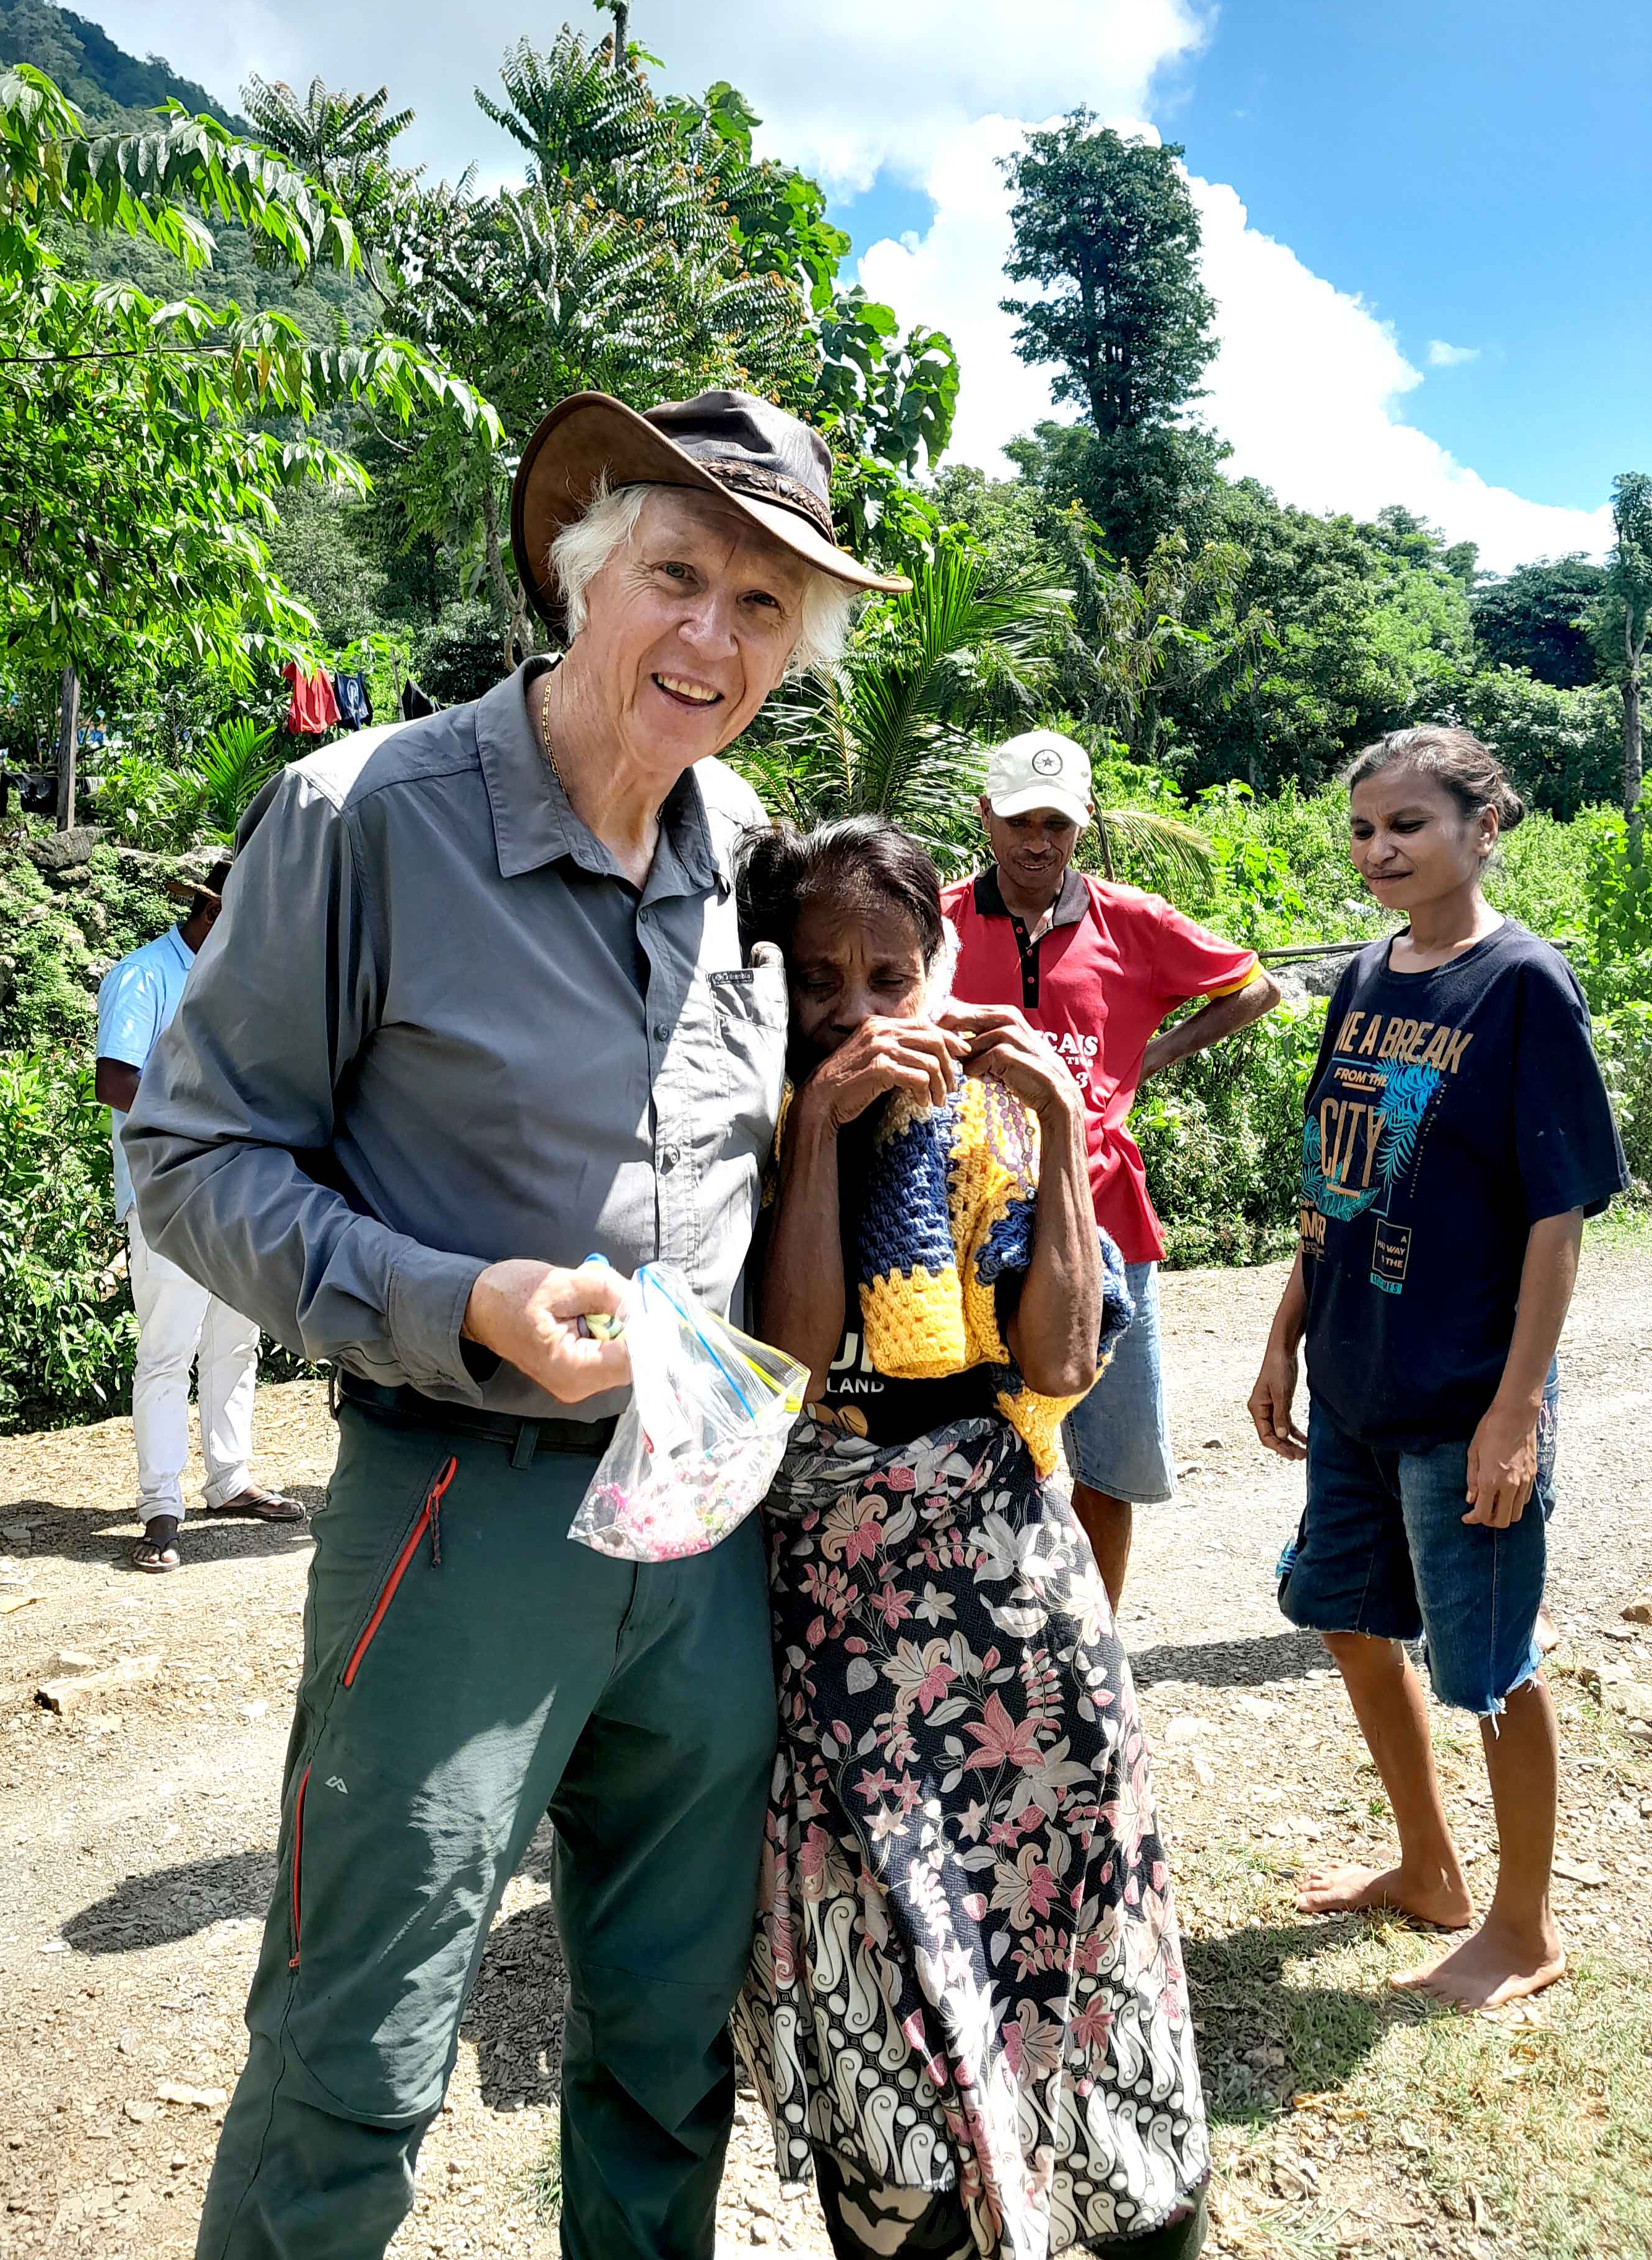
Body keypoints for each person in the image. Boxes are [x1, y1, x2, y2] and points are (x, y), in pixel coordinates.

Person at [123, 389, 906, 2260]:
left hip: (701, 1512)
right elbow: (190, 1152)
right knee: (359, 2045)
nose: (711, 636)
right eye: (677, 576)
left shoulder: (751, 849)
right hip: (459, 1508)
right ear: (581, 574)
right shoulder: (368, 816)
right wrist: (452, 1299)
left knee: (667, 2046)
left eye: (763, 605)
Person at [733, 817, 1210, 2260]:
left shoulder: (994, 1130)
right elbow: (792, 1368)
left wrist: (1060, 1123)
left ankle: (1126, 2203)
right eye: (820, 978)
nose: (857, 1011)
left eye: (889, 976)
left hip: (1016, 1614)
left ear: (937, 971)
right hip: (841, 1620)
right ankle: (912, 2217)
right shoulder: (744, 1137)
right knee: (876, 1938)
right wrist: (821, 1128)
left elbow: (1059, 1361)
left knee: (1070, 1930)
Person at [1250, 727, 1627, 2011]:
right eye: (1363, 829)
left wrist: (1515, 1411)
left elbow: (1558, 1220)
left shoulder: (1524, 985)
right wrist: (1284, 1332)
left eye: (1407, 824)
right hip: (1356, 1377)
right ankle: (1428, 1869)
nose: (1379, 850)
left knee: (1489, 1667)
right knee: (1346, 1614)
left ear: (1484, 826)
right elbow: (1335, 1175)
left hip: (1467, 1394)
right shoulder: (1367, 974)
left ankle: (1525, 1929)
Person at [943, 730, 1279, 1612]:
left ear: (1084, 823)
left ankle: (1098, 1642)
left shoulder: (1133, 922)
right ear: (986, 816)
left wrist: (1145, 1059)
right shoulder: (936, 922)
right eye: (1019, 821)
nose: (1036, 842)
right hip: (962, 1225)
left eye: (1056, 823)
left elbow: (1253, 987)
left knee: (1111, 1458)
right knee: (967, 1445)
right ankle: (990, 1642)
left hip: (1101, 1213)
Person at [95, 862, 306, 1573]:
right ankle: (161, 1507)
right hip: (170, 1193)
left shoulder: (237, 980)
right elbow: (114, 1080)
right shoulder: (144, 976)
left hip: (235, 1190)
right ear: (211, 914)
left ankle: (229, 1478)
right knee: (167, 1352)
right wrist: (210, 1119)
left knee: (236, 1341)